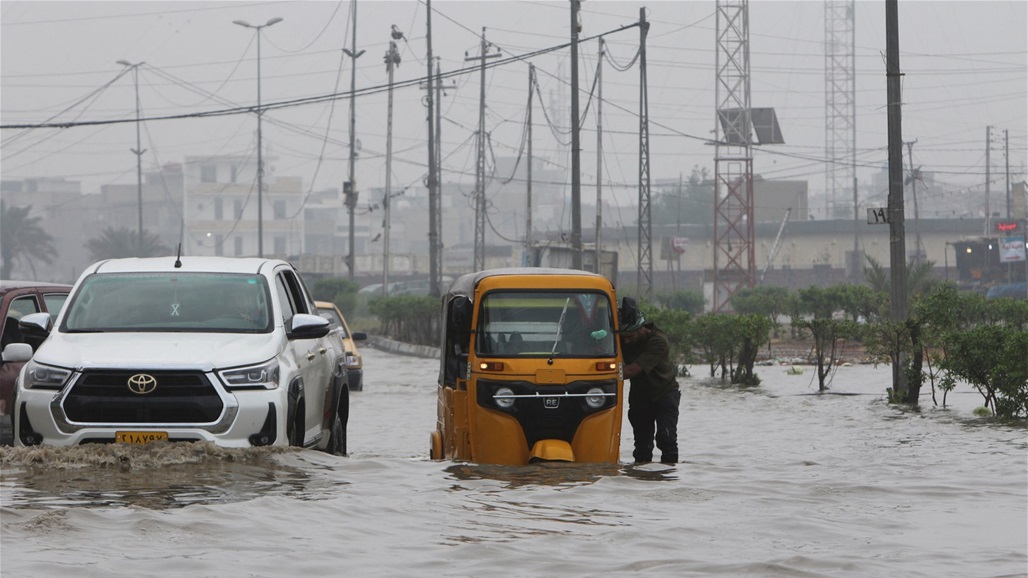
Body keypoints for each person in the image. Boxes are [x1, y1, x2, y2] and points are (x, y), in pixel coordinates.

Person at [618, 297, 681, 464]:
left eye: (629, 336)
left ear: (641, 328)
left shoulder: (658, 340)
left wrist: (602, 375)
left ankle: (668, 478)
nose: (626, 341)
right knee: (642, 447)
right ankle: (641, 481)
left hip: (665, 394)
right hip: (640, 398)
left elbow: (634, 369)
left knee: (666, 438)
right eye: (623, 337)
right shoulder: (623, 338)